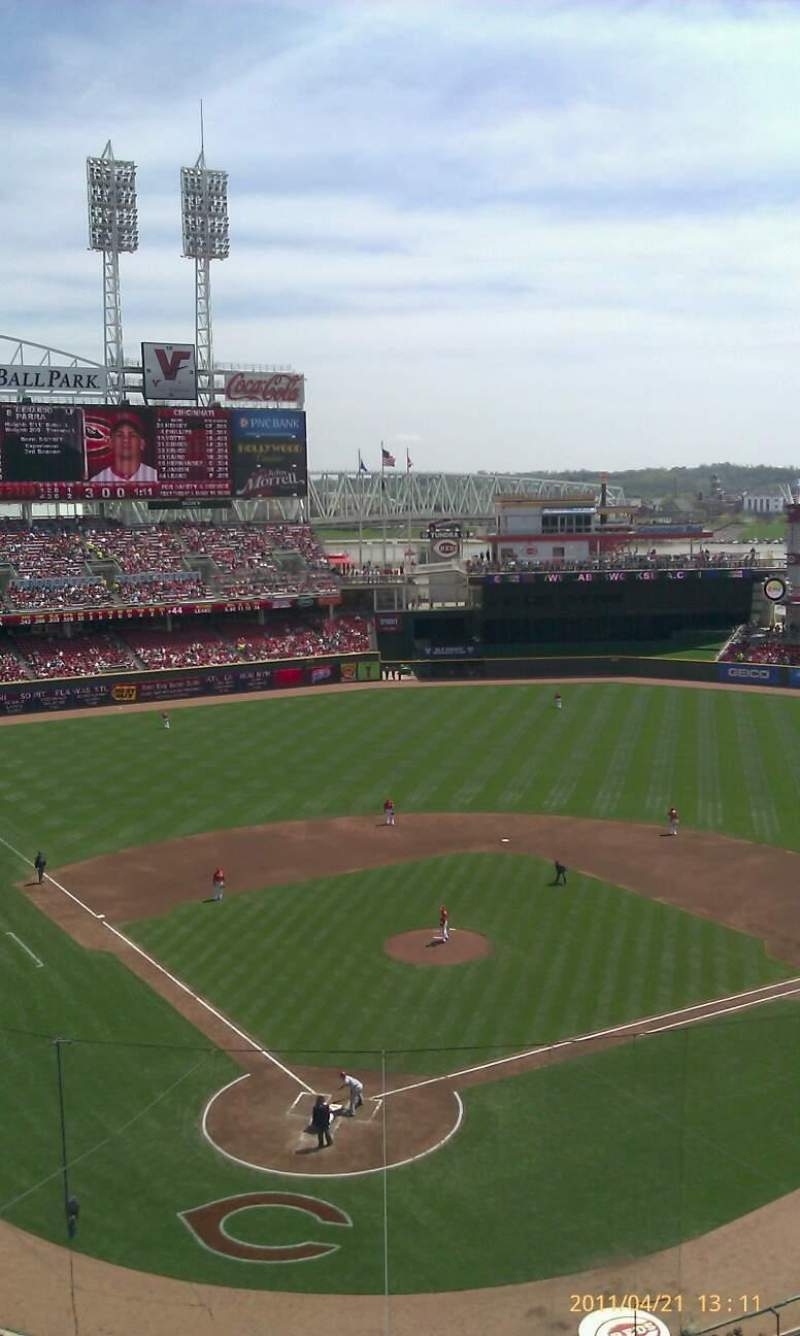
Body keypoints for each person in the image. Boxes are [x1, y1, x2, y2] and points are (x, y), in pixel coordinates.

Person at [91, 412, 158, 484]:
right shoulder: (96, 481)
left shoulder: (155, 477)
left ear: (142, 443)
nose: (126, 440)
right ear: (110, 443)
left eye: (132, 435)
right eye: (120, 435)